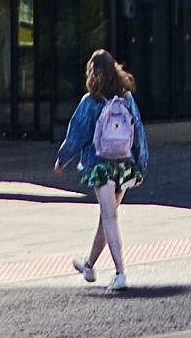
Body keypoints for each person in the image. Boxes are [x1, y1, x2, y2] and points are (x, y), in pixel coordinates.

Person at [57, 46, 143, 291]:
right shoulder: (126, 98)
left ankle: (120, 273)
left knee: (109, 217)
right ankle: (89, 265)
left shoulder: (90, 101)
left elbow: (76, 134)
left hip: (100, 166)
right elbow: (139, 133)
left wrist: (62, 159)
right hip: (124, 165)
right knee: (105, 218)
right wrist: (140, 166)